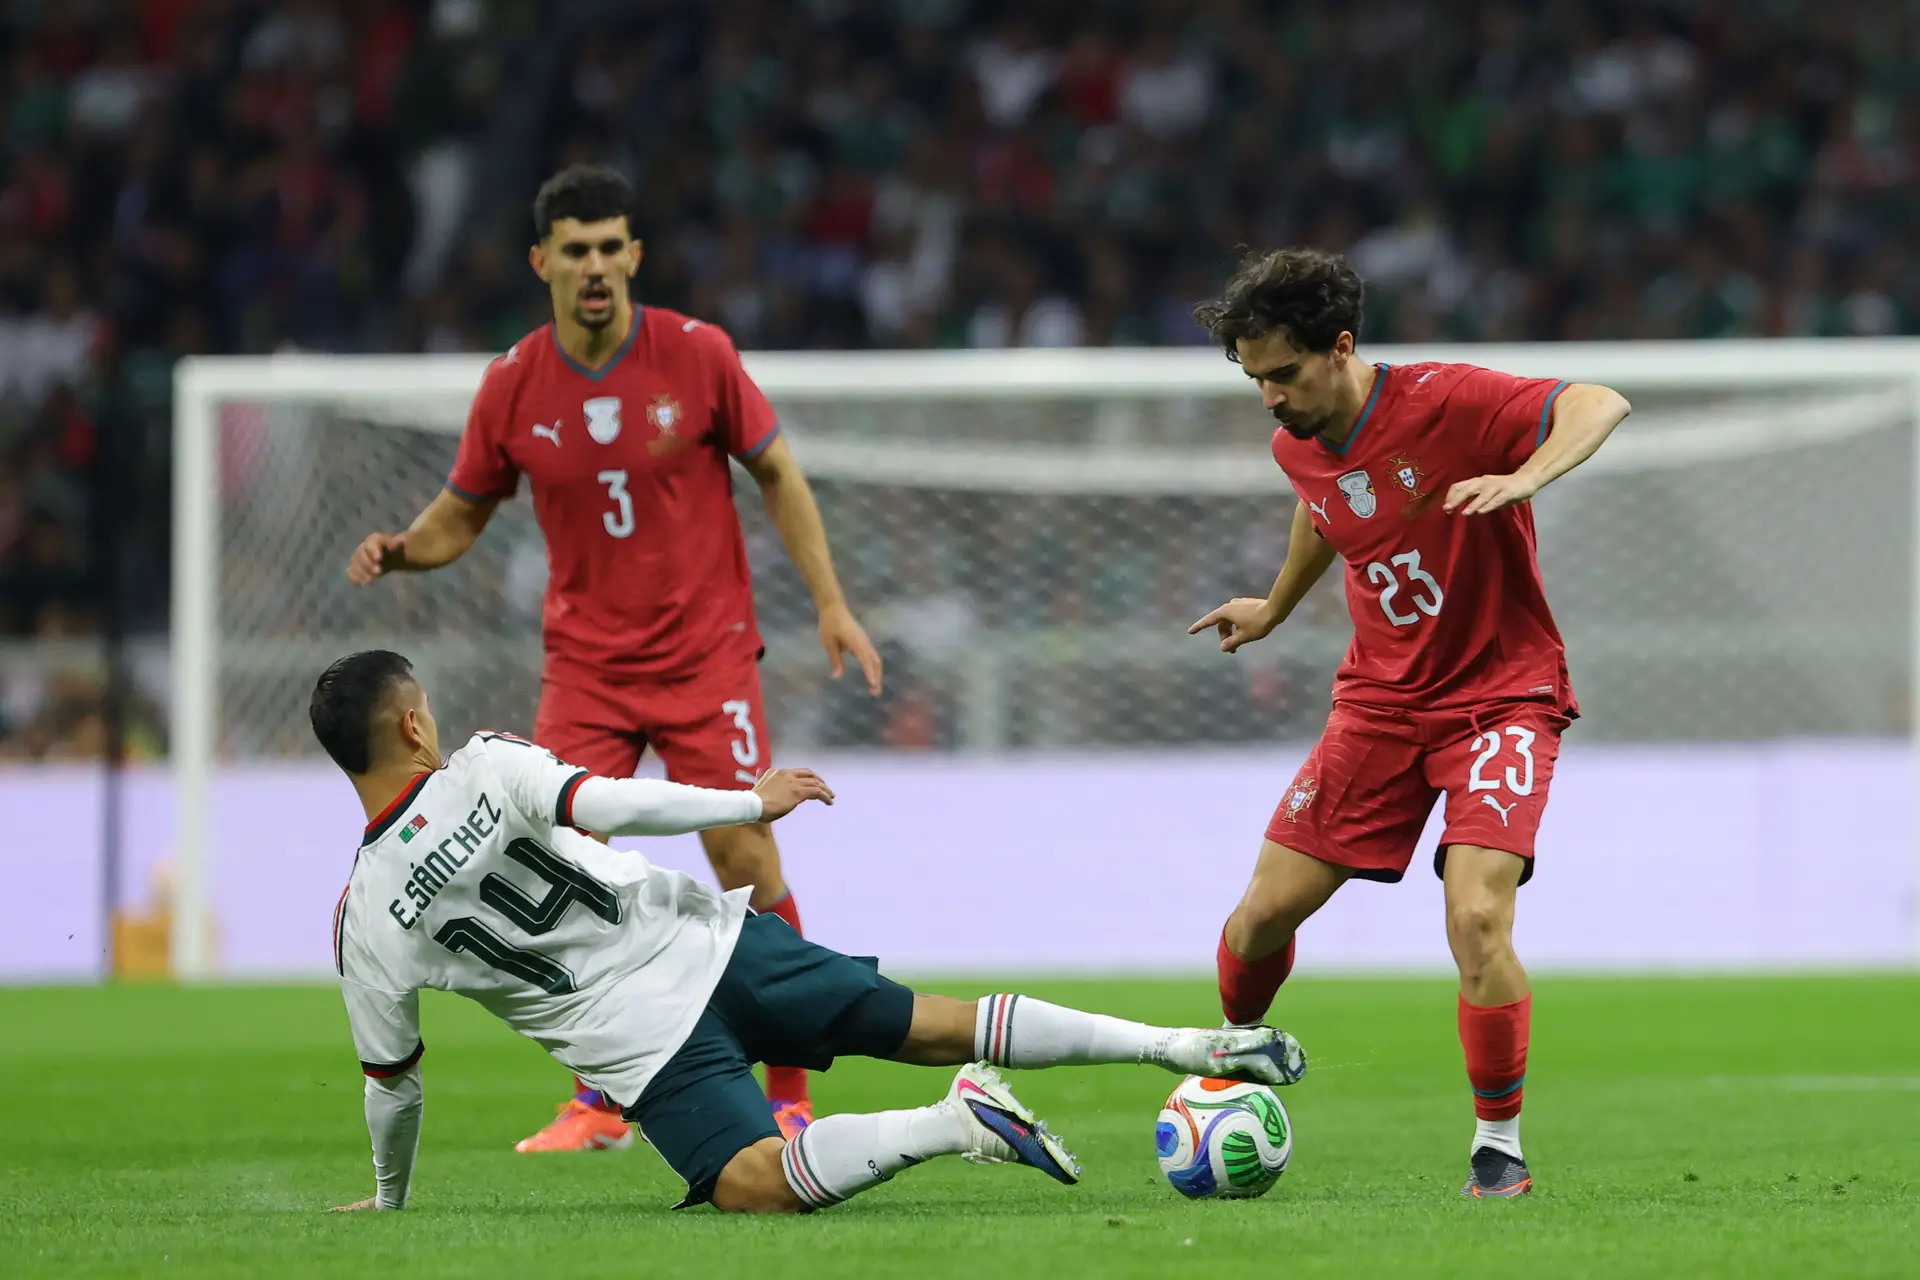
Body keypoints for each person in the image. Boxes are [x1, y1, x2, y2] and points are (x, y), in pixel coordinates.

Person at [311, 650, 1308, 1213]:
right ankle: (1183, 1043)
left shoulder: (365, 916)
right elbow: (611, 801)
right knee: (936, 1019)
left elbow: (393, 1081)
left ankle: (953, 1123)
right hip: (721, 939)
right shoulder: (488, 762)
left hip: (647, 1043)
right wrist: (745, 798)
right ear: (411, 728)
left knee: (752, 1183)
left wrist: (390, 1197)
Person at [346, 165, 881, 1149]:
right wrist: (405, 546)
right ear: (543, 260)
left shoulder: (697, 353)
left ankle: (793, 1084)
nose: (595, 267)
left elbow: (778, 471)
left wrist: (833, 604)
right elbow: (465, 507)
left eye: (610, 248)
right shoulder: (512, 382)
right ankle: (601, 1097)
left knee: (743, 848)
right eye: (576, 250)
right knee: (551, 862)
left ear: (634, 254)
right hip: (586, 665)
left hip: (704, 654)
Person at [1186, 249, 1631, 1199]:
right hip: (1381, 706)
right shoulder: (1295, 440)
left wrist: (1528, 478)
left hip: (1502, 698)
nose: (1269, 397)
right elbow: (1326, 506)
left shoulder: (1452, 400)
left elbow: (1601, 402)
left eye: (1284, 374)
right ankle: (1231, 1063)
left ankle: (1498, 1144)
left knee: (1475, 917)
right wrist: (1274, 606)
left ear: (1340, 348)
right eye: (1255, 377)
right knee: (1261, 917)